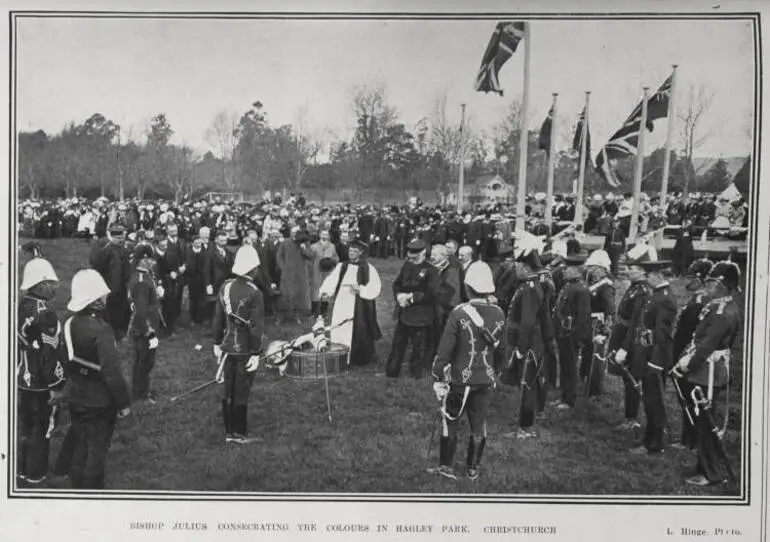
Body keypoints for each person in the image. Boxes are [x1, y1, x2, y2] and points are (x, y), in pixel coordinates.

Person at [428, 261, 506, 481]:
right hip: (486, 379)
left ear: (468, 288)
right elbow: (502, 352)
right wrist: (494, 373)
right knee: (479, 424)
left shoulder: (458, 313)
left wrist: (437, 375)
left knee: (450, 420)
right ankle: (473, 469)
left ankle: (446, 467)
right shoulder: (499, 313)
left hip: (460, 379)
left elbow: (444, 351)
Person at [672, 261, 741, 486]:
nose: (708, 286)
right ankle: (703, 465)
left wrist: (686, 365)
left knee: (706, 423)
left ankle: (712, 473)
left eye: (712, 282)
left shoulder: (723, 312)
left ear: (723, 286)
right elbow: (697, 339)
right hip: (703, 368)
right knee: (701, 421)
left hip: (708, 372)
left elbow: (706, 346)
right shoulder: (717, 306)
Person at [62, 269, 131, 489]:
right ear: (94, 301)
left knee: (81, 441)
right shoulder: (101, 330)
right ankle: (92, 492)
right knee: (97, 449)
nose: (106, 297)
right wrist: (123, 403)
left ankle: (75, 484)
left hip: (76, 392)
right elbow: (111, 373)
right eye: (102, 295)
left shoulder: (70, 322)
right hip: (99, 399)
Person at [17, 257, 66, 486]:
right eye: (50, 283)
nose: (55, 287)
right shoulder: (45, 312)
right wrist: (56, 385)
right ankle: (36, 474)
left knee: (26, 425)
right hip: (41, 381)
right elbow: (51, 353)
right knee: (42, 427)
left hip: (22, 375)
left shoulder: (22, 304)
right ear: (40, 285)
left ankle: (22, 470)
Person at [212, 245, 265, 444]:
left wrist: (216, 342)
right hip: (244, 349)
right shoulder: (255, 293)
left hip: (226, 347)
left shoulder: (225, 286)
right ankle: (239, 433)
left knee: (228, 389)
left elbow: (217, 318)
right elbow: (256, 327)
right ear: (253, 269)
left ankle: (228, 431)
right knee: (241, 390)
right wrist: (256, 352)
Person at [504, 235, 556, 438]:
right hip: (534, 341)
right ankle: (528, 422)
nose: (515, 269)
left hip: (528, 343)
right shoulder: (532, 285)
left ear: (525, 267)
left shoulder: (530, 289)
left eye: (518, 265)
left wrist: (520, 348)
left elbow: (528, 322)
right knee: (528, 383)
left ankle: (526, 427)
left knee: (527, 383)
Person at [628, 260, 677, 455]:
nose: (646, 279)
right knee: (649, 400)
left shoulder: (665, 298)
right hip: (647, 352)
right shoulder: (657, 295)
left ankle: (655, 443)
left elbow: (663, 335)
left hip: (655, 358)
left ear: (658, 275)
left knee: (654, 401)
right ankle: (650, 437)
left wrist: (655, 363)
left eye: (648, 275)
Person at [670, 258, 714, 451]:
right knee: (685, 398)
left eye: (691, 277)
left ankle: (693, 440)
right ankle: (687, 437)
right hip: (681, 352)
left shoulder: (703, 301)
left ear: (700, 279)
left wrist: (685, 356)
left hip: (689, 355)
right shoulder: (695, 299)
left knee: (691, 397)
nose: (687, 281)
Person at [319, 239, 382, 366]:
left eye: (354, 251)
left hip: (359, 304)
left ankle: (356, 357)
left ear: (360, 252)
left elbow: (375, 286)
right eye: (350, 250)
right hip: (342, 301)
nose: (351, 253)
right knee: (340, 326)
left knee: (359, 328)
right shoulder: (342, 265)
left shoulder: (368, 268)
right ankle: (340, 354)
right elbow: (333, 279)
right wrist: (325, 291)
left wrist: (361, 289)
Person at [385, 239, 440, 379]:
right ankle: (392, 371)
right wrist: (398, 296)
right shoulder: (406, 266)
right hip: (404, 312)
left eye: (415, 255)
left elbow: (432, 293)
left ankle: (416, 374)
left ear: (423, 253)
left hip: (421, 315)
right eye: (410, 255)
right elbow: (397, 284)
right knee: (398, 343)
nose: (411, 258)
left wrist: (411, 297)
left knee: (418, 346)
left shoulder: (431, 270)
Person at [551, 256, 591, 410]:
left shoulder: (581, 289)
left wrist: (576, 337)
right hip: (563, 332)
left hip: (571, 335)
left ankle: (569, 399)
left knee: (570, 367)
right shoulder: (569, 285)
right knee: (565, 365)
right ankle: (564, 395)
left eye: (566, 269)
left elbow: (583, 316)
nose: (563, 271)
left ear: (575, 270)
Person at [581, 249, 615, 398]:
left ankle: (594, 390)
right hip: (589, 322)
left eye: (594, 267)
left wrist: (605, 329)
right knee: (587, 352)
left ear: (602, 268)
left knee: (597, 356)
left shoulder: (606, 285)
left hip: (598, 324)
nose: (591, 270)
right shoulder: (593, 282)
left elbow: (610, 309)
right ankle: (584, 378)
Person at [128, 257, 162, 403]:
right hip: (144, 327)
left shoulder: (143, 276)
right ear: (145, 260)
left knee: (141, 360)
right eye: (151, 259)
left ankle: (138, 390)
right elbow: (141, 309)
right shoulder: (142, 281)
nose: (155, 262)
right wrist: (148, 329)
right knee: (145, 360)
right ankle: (142, 393)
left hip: (141, 325)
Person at [90, 223, 132, 340]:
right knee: (109, 311)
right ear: (113, 237)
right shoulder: (106, 251)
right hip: (109, 287)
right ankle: (109, 333)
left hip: (121, 286)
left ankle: (119, 332)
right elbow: (97, 268)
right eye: (118, 238)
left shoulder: (124, 250)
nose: (121, 240)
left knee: (121, 309)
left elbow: (127, 269)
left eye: (122, 238)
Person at [276, 227, 314, 325]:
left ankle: (297, 316)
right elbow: (279, 256)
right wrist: (283, 268)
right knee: (285, 294)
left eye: (296, 233)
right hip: (287, 273)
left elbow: (311, 256)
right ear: (290, 233)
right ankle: (281, 317)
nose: (294, 234)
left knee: (298, 296)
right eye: (293, 232)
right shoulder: (285, 243)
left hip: (300, 274)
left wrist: (304, 249)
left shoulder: (305, 243)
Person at [310, 229, 340, 317]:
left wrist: (333, 262)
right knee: (316, 290)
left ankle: (324, 312)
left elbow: (336, 257)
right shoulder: (314, 246)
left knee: (326, 289)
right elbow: (310, 259)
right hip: (317, 270)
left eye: (326, 234)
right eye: (323, 234)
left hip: (328, 271)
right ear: (320, 235)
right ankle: (314, 311)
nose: (324, 236)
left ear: (328, 236)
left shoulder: (332, 246)